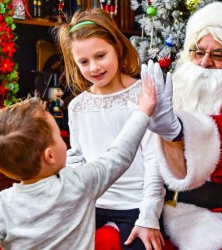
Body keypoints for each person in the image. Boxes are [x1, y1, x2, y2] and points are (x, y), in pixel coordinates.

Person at [0, 79, 157, 250]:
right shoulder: (77, 183)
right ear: (49, 156)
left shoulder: (0, 206)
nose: (63, 141)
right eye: (58, 136)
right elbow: (119, 155)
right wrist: (143, 113)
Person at [142, 2, 222, 249]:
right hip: (161, 210)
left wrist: (179, 129)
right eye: (198, 52)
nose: (204, 63)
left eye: (218, 55)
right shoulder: (176, 97)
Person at [55, 8, 165, 250]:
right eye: (84, 61)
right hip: (92, 205)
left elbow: (155, 159)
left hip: (136, 205)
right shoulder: (77, 106)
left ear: (117, 47)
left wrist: (149, 215)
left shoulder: (143, 95)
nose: (94, 67)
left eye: (101, 55)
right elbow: (78, 158)